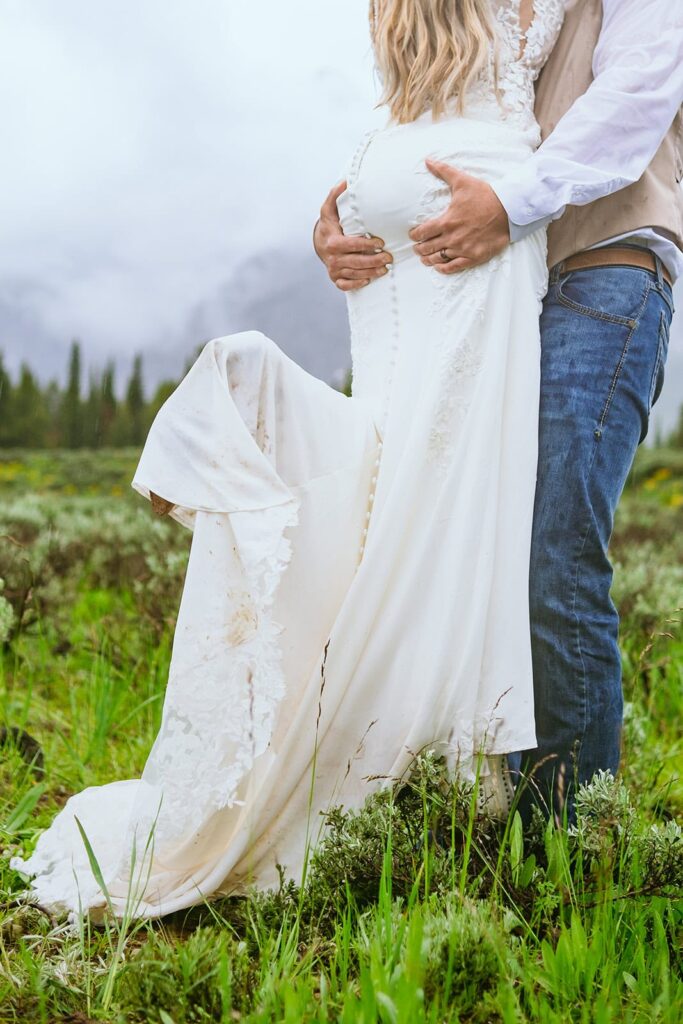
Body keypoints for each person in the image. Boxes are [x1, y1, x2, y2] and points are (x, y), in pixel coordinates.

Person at [11, 0, 567, 922]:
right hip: (448, 244)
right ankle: (420, 778)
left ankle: (418, 769)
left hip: (429, 236)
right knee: (430, 507)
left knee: (406, 500)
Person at [316, 0, 683, 821]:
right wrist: (350, 216)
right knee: (472, 534)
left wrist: (508, 205)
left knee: (551, 547)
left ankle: (569, 838)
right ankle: (487, 802)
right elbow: (433, 113)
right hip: (485, 289)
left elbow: (631, 105)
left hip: (601, 271)